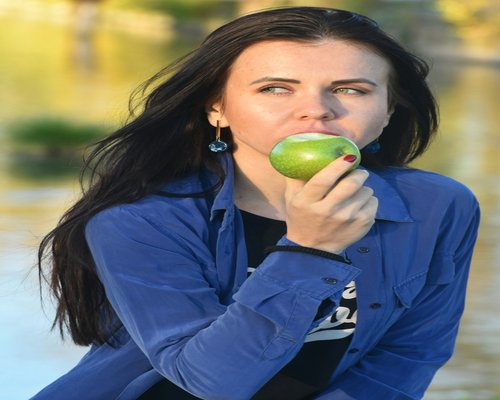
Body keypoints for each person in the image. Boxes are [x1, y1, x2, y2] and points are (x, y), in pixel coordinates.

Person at [32, 6, 480, 400]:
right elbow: (212, 382)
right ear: (217, 108)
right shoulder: (139, 220)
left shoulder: (438, 207)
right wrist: (309, 250)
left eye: (350, 90)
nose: (316, 110)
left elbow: (407, 357)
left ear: (387, 110)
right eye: (275, 88)